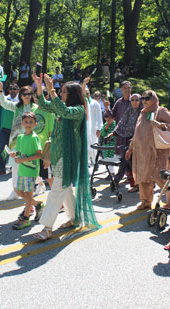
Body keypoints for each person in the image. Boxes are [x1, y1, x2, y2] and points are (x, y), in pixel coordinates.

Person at [32, 73, 100, 240]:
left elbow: (64, 111)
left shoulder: (78, 110)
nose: (61, 94)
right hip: (58, 155)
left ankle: (47, 228)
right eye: (60, 92)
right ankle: (75, 218)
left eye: (63, 92)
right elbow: (43, 104)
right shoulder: (61, 106)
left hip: (69, 156)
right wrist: (40, 86)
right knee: (65, 188)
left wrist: (51, 89)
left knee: (56, 190)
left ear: (72, 95)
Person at [126, 90, 170, 210]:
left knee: (161, 177)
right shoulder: (143, 113)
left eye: (147, 98)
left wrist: (159, 125)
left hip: (158, 151)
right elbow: (137, 133)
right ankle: (146, 201)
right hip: (143, 152)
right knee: (144, 177)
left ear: (153, 99)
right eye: (142, 98)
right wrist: (130, 148)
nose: (144, 101)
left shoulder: (161, 111)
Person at [0, 81, 39, 200]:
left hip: (30, 141)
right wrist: (0, 90)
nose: (27, 96)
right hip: (16, 141)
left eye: (29, 94)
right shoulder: (17, 107)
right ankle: (15, 190)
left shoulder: (35, 108)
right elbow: (4, 103)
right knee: (15, 166)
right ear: (20, 95)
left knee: (30, 166)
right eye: (24, 94)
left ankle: (37, 185)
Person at [9, 112, 44, 229]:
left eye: (31, 122)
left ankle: (25, 219)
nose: (28, 124)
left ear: (35, 124)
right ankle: (37, 204)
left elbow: (39, 155)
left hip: (31, 170)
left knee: (28, 194)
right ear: (22, 123)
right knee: (18, 191)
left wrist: (24, 159)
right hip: (22, 169)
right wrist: (15, 153)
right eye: (26, 122)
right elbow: (19, 151)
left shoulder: (35, 138)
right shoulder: (20, 137)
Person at [109, 93, 142, 192]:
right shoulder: (129, 110)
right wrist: (114, 133)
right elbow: (121, 122)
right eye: (133, 100)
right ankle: (118, 180)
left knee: (133, 162)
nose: (135, 102)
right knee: (126, 160)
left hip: (140, 140)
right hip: (128, 139)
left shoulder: (142, 112)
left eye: (137, 100)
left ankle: (139, 184)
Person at [0, 84, 18, 176]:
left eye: (14, 89)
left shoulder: (20, 101)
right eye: (10, 89)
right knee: (2, 148)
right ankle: (1, 168)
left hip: (16, 129)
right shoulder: (5, 98)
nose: (12, 90)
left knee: (14, 149)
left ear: (18, 90)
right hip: (5, 128)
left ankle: (13, 168)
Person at [83, 80, 103, 165]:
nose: (86, 95)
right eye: (84, 94)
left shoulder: (95, 103)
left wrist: (99, 129)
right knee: (86, 146)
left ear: (90, 93)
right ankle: (86, 163)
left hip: (93, 129)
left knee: (94, 145)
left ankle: (95, 161)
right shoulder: (81, 104)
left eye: (87, 93)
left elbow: (99, 117)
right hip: (85, 128)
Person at [112, 81, 132, 156]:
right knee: (120, 156)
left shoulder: (135, 101)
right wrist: (107, 108)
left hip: (131, 134)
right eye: (125, 88)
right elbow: (112, 115)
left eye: (129, 88)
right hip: (120, 134)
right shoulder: (119, 102)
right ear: (121, 90)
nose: (127, 90)